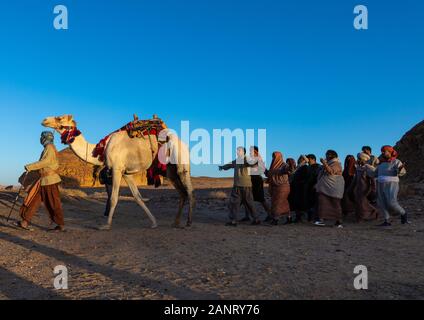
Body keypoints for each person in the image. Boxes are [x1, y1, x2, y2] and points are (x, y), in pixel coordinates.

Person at [17, 131, 65, 232]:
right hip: (43, 180)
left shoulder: (50, 148)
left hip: (50, 180)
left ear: (44, 138)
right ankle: (25, 221)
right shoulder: (50, 148)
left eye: (41, 137)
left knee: (53, 203)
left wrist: (30, 166)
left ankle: (60, 225)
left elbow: (45, 162)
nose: (41, 139)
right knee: (33, 200)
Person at [366, 145, 409, 226]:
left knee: (391, 202)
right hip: (380, 184)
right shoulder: (381, 164)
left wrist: (400, 169)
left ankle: (403, 213)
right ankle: (386, 220)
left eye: (384, 151)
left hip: (392, 184)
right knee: (381, 202)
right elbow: (374, 174)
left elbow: (402, 172)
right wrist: (366, 168)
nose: (383, 153)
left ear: (390, 152)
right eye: (382, 151)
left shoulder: (396, 161)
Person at [219, 147, 260, 226]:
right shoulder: (236, 161)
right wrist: (222, 167)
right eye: (237, 150)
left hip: (246, 186)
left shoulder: (247, 159)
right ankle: (234, 221)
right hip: (238, 185)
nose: (237, 151)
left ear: (244, 152)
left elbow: (253, 163)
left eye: (239, 150)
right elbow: (229, 165)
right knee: (234, 203)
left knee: (249, 203)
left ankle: (256, 219)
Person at [314, 150, 345, 228]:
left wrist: (324, 163)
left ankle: (339, 221)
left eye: (327, 155)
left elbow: (331, 172)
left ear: (331, 155)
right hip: (325, 188)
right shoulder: (329, 164)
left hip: (334, 188)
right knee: (323, 203)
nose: (326, 156)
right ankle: (321, 220)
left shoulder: (336, 164)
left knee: (335, 204)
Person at [241, 146, 271, 223]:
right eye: (250, 150)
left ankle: (270, 214)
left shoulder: (258, 159)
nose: (250, 152)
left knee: (261, 199)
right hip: (248, 180)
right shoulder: (248, 159)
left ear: (256, 151)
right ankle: (247, 216)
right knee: (245, 198)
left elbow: (264, 170)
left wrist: (269, 175)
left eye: (252, 151)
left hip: (257, 180)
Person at [350, 153, 379, 221]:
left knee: (362, 203)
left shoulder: (368, 168)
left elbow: (372, 179)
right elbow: (355, 179)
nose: (358, 160)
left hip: (365, 188)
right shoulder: (358, 168)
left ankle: (373, 213)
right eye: (358, 159)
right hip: (358, 188)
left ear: (364, 160)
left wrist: (373, 189)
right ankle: (361, 217)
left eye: (359, 159)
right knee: (359, 203)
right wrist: (351, 188)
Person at [265, 152, 291, 225]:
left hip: (283, 187)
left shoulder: (284, 165)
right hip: (275, 187)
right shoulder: (273, 166)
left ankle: (275, 219)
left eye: (275, 156)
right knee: (284, 203)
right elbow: (268, 174)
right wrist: (264, 169)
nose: (274, 158)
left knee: (277, 203)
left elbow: (288, 170)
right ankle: (289, 218)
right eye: (273, 156)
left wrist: (291, 167)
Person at [290, 155, 309, 222]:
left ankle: (301, 217)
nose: (299, 160)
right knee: (296, 202)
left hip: (301, 188)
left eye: (301, 159)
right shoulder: (298, 167)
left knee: (301, 202)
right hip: (296, 187)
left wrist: (299, 182)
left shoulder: (305, 167)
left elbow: (306, 178)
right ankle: (298, 217)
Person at [305, 154, 321, 221]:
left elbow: (320, 177)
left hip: (316, 187)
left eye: (309, 159)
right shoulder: (308, 167)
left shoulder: (319, 167)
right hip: (308, 186)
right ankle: (310, 217)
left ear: (313, 159)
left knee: (315, 202)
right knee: (309, 202)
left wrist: (317, 184)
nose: (307, 161)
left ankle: (317, 218)